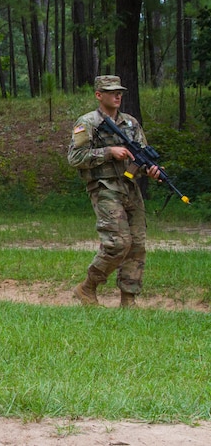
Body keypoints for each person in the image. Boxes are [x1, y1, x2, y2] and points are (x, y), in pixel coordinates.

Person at [67, 75, 160, 308]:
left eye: (119, 92)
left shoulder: (131, 124)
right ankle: (87, 287)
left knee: (137, 244)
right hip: (105, 187)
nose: (117, 96)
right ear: (99, 95)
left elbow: (141, 155)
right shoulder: (87, 123)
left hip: (130, 188)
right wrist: (108, 152)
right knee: (118, 243)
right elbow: (75, 158)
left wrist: (150, 169)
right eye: (111, 92)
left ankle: (128, 299)